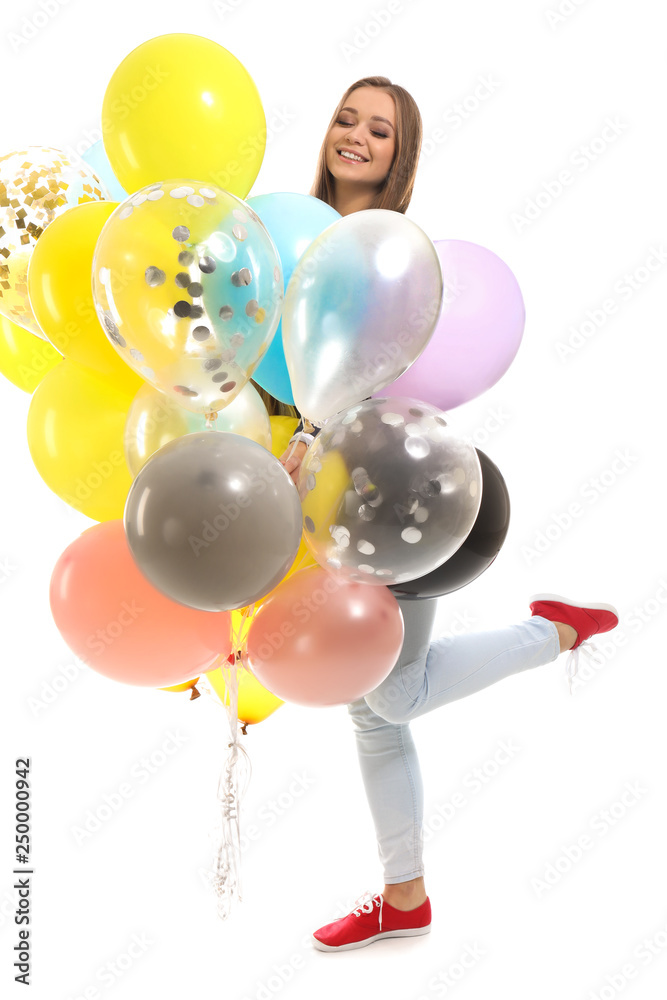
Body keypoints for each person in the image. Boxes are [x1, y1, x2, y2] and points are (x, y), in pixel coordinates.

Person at [266, 76, 620, 952]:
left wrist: (313, 437)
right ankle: (404, 897)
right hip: (311, 504)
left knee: (390, 698)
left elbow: (382, 382)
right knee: (374, 705)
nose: (354, 135)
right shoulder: (286, 243)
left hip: (395, 494)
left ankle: (554, 636)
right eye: (345, 118)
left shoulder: (394, 257)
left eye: (377, 130)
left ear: (400, 156)